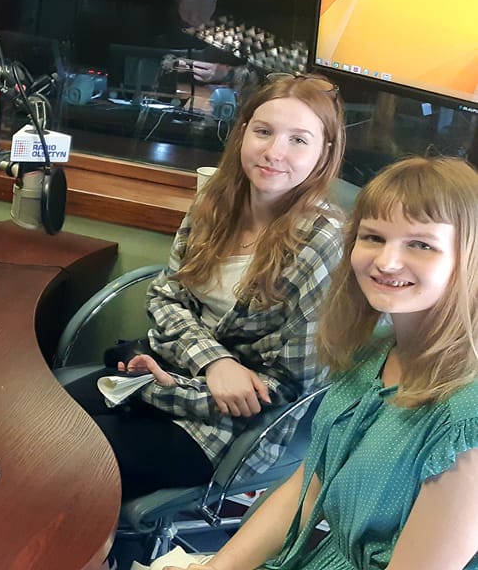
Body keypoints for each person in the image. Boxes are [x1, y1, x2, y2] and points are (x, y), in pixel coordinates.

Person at [166, 156, 478, 570]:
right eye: (373, 237)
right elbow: (309, 484)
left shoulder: (466, 419)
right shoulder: (370, 356)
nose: (386, 262)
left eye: (421, 244)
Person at [64, 73, 347, 506]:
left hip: (225, 426)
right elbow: (166, 296)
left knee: (70, 460)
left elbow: (283, 391)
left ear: (324, 151)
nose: (274, 152)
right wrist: (214, 362)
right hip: (166, 370)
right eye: (264, 132)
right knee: (41, 424)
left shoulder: (323, 244)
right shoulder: (217, 200)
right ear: (242, 132)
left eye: (298, 140)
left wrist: (168, 387)